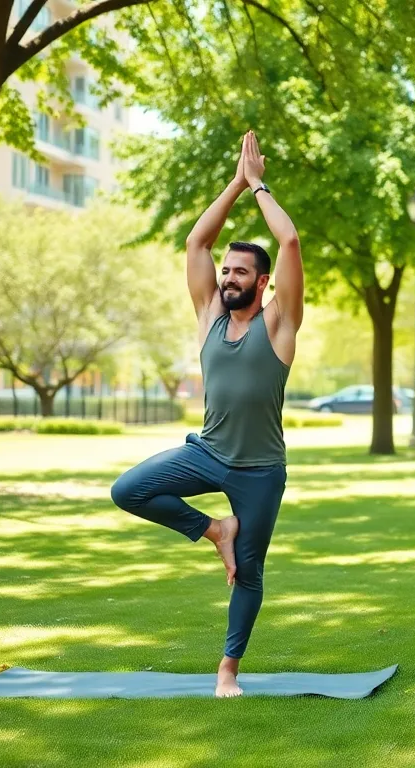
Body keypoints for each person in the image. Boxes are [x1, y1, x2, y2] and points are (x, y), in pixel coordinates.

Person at [110, 132, 303, 698]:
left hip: (260, 471)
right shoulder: (210, 317)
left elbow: (288, 241)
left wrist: (261, 186)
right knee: (129, 491)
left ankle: (227, 670)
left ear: (262, 282)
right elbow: (196, 244)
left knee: (249, 573)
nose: (228, 277)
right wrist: (236, 183)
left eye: (241, 272)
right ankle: (215, 530)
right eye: (227, 271)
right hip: (207, 453)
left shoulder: (280, 324)